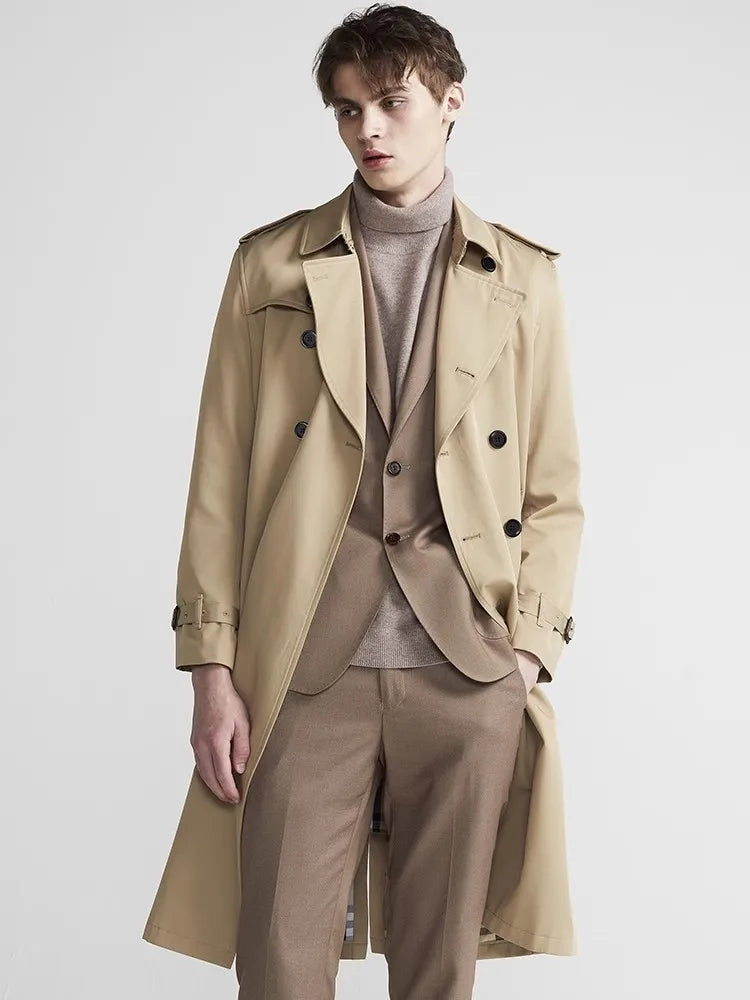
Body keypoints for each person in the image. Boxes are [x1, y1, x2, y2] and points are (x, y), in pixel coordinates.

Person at [142, 5, 584, 998]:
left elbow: (555, 487)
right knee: (280, 968)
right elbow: (218, 478)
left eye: (391, 102)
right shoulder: (269, 266)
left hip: (467, 668)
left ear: (451, 102)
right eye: (347, 110)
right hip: (304, 665)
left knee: (438, 973)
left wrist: (524, 654)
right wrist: (212, 669)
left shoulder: (524, 279)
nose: (367, 129)